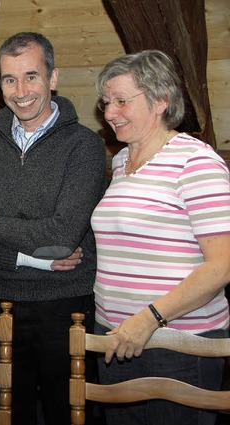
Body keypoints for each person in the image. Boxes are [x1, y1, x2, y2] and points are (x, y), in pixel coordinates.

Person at [0, 32, 106, 424]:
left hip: (66, 307)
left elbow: (60, 237)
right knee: (3, 415)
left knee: (63, 413)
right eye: (9, 79)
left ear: (53, 78)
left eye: (31, 76)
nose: (21, 91)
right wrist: (34, 261)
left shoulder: (84, 147)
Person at [90, 50, 230, 425]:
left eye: (121, 101)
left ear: (160, 101)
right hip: (116, 338)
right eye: (106, 102)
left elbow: (222, 266)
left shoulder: (195, 162)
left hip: (177, 344)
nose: (109, 112)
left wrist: (149, 318)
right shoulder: (121, 162)